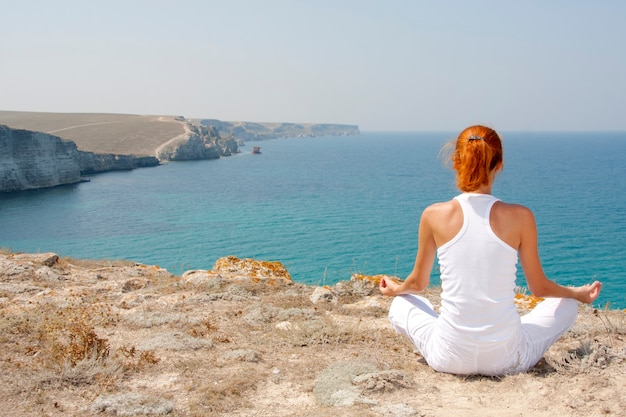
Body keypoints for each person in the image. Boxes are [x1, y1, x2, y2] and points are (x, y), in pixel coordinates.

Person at [379, 125, 602, 376]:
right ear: (499, 164)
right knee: (568, 305)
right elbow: (539, 288)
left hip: (449, 357)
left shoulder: (433, 215)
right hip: (507, 358)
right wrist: (577, 293)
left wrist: (396, 289)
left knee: (402, 303)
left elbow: (418, 284)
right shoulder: (521, 216)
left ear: (456, 161)